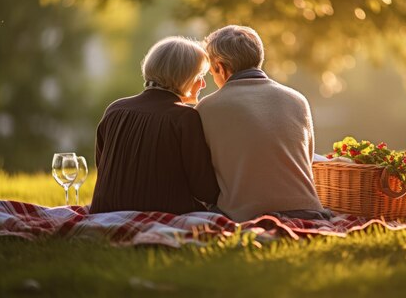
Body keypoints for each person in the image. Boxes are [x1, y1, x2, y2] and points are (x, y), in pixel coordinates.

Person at [196, 25, 330, 222]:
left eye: (211, 72)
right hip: (308, 211)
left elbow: (202, 175)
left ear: (221, 68)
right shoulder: (298, 100)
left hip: (244, 215)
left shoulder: (207, 107)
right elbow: (306, 159)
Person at [89, 37, 220, 214]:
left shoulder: (115, 109)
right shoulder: (184, 117)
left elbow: (103, 167)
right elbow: (205, 190)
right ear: (184, 77)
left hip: (105, 211)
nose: (203, 84)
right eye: (200, 76)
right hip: (164, 213)